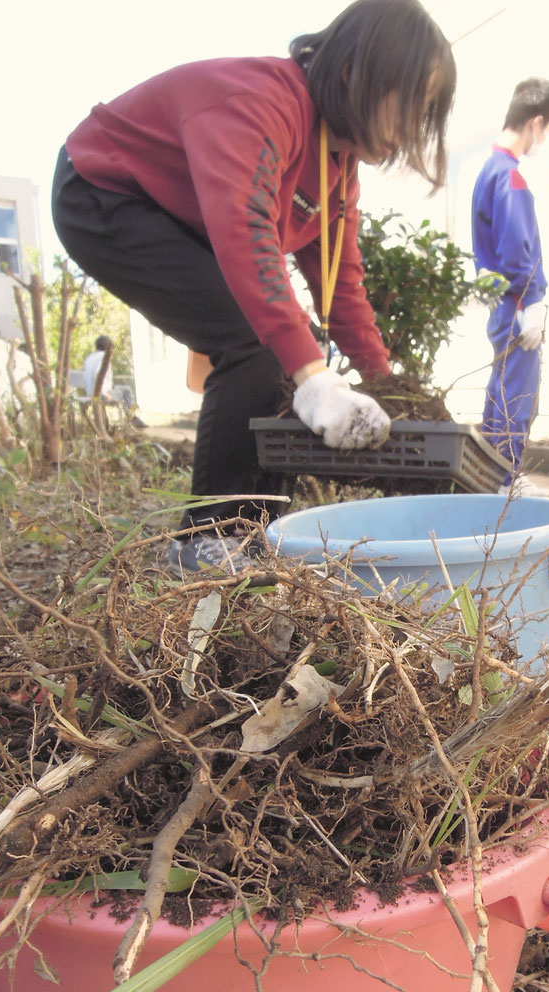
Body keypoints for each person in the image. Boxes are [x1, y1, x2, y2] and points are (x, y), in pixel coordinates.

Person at [52, 0, 456, 575]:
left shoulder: (337, 171)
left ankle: (256, 535)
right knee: (262, 340)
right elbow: (244, 229)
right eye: (412, 105)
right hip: (105, 190)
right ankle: (207, 540)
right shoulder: (262, 102)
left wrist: (387, 386)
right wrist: (313, 375)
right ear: (357, 73)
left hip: (174, 216)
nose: (414, 129)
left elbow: (342, 288)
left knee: (292, 343)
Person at [471, 78, 549, 494]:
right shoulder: (511, 178)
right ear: (537, 122)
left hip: (501, 304)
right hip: (516, 303)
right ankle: (505, 481)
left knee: (500, 391)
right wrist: (533, 300)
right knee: (517, 394)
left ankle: (492, 477)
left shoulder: (487, 172)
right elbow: (516, 250)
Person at [82, 335, 135, 414]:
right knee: (127, 390)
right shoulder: (104, 358)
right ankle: (133, 416)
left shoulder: (89, 358)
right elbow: (97, 374)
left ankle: (131, 416)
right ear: (109, 347)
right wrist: (103, 394)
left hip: (89, 393)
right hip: (100, 394)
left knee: (120, 388)